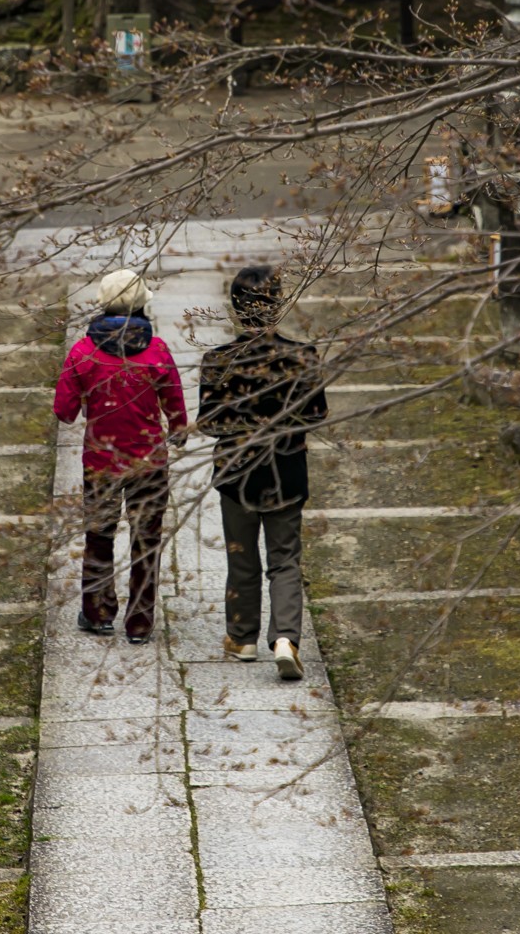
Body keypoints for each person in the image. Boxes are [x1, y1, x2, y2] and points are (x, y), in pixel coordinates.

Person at [198, 265, 327, 681]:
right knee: (285, 559)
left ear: (236, 309)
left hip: (237, 474)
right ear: (278, 304)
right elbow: (317, 413)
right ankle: (286, 638)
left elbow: (209, 422)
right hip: (286, 470)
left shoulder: (217, 361)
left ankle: (243, 638)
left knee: (242, 556)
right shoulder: (303, 356)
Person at [54, 269, 187, 644]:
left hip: (101, 464)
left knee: (99, 536)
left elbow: (64, 411)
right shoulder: (157, 350)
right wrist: (177, 429)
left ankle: (98, 613)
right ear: (143, 304)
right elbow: (175, 402)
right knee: (146, 540)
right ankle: (140, 623)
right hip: (149, 462)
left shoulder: (83, 352)